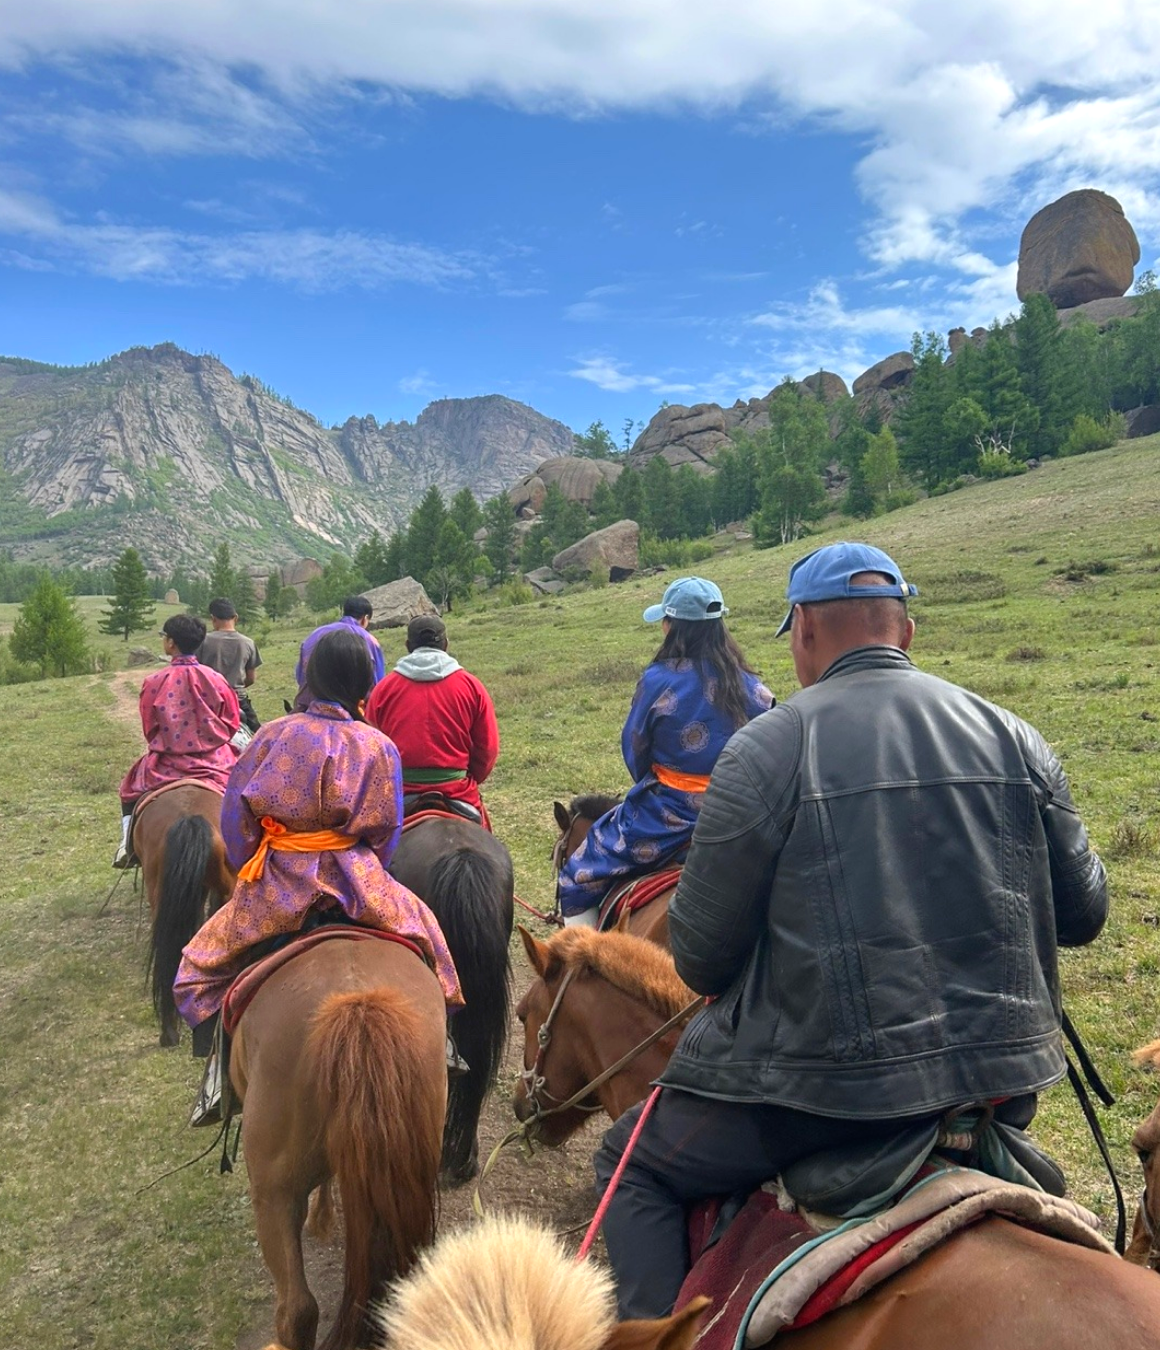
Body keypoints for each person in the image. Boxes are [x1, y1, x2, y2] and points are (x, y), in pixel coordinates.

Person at [593, 541, 1109, 1319]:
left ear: (802, 632)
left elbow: (699, 957)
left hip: (817, 1097)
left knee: (629, 1166)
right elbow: (1086, 914)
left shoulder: (767, 747)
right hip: (998, 1086)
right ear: (905, 632)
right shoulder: (1015, 734)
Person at [174, 627, 464, 1125]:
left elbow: (235, 820)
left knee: (203, 962)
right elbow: (386, 833)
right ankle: (447, 1044)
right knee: (430, 942)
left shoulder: (271, 734)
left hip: (279, 879)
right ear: (364, 685)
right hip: (357, 879)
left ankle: (220, 1075)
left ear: (308, 677)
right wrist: (364, 862)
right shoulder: (377, 745)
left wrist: (253, 858)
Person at [557, 576, 774, 927]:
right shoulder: (755, 687)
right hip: (740, 816)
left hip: (665, 818)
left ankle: (582, 965)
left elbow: (636, 749)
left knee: (577, 874)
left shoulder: (658, 679)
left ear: (672, 627)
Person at [114, 614, 241, 868]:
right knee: (250, 787)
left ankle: (126, 845)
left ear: (171, 643)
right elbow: (232, 721)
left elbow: (149, 728)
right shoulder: (216, 679)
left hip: (166, 764)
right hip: (216, 762)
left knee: (128, 790)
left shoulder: (154, 681)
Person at [365, 613, 499, 823]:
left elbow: (371, 750)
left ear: (408, 645)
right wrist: (468, 777)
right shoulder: (472, 686)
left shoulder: (383, 689)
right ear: (446, 644)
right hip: (457, 791)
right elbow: (488, 749)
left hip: (400, 792)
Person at [291, 595, 384, 711]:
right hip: (351, 709)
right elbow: (378, 685)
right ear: (365, 618)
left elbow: (301, 676)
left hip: (309, 705)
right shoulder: (370, 641)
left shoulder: (315, 634)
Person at [196, 597, 262, 734]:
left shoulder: (203, 642)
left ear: (213, 618)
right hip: (239, 700)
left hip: (209, 701)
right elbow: (251, 679)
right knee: (258, 736)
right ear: (235, 618)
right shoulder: (248, 643)